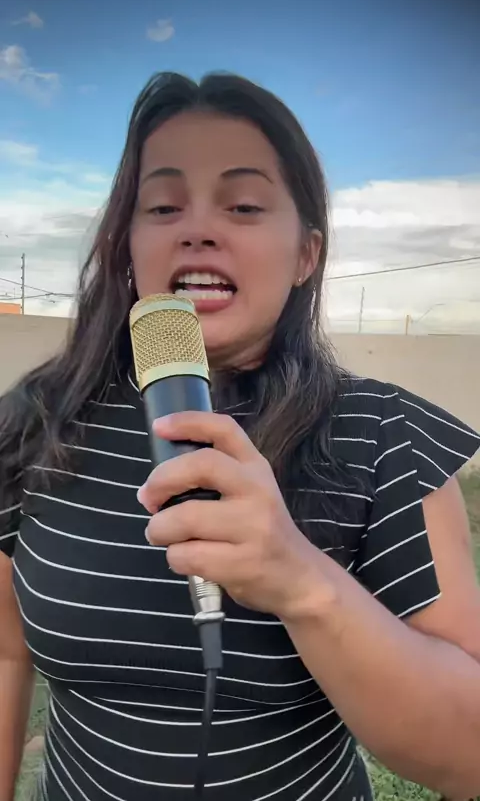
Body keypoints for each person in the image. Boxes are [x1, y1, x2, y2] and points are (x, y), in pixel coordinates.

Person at [1, 72, 479, 801]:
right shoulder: (36, 421)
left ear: (306, 255)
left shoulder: (385, 436)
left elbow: (468, 754)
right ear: (128, 244)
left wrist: (301, 581)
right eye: (163, 205)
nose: (196, 229)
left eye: (245, 205)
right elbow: (6, 655)